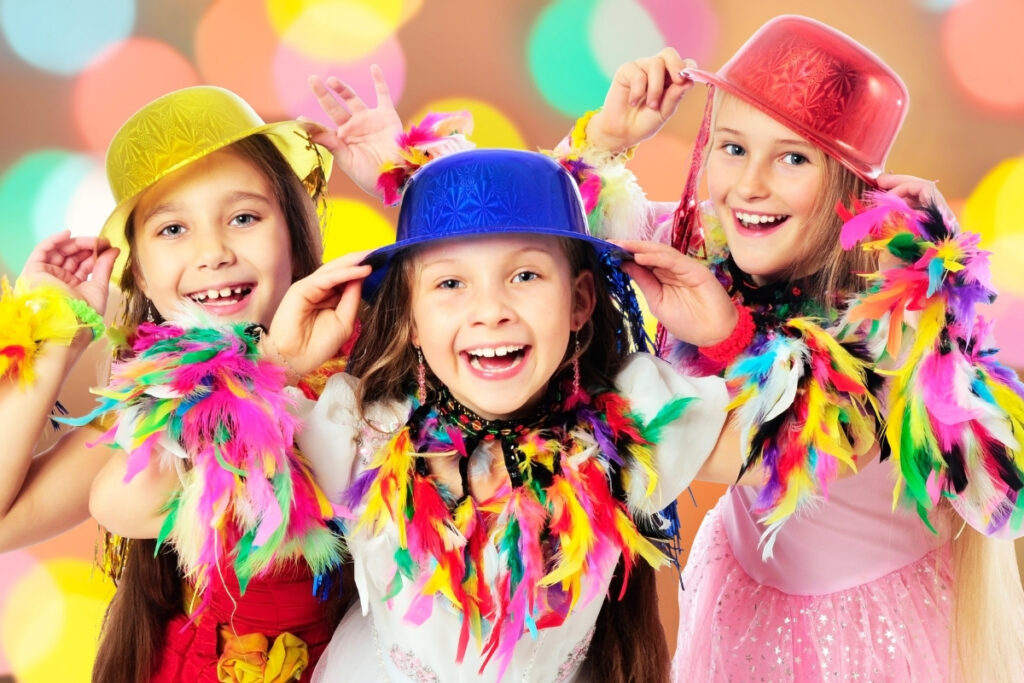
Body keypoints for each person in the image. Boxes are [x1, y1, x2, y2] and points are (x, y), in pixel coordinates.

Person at [560, 14, 1024, 682]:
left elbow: (812, 436)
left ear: (848, 186)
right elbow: (544, 260)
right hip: (746, 600)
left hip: (869, 636)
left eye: (793, 157)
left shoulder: (889, 312)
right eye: (731, 147)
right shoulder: (711, 245)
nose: (748, 186)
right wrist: (605, 141)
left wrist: (727, 334)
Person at [256, 146, 734, 681]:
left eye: (525, 275)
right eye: (450, 284)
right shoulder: (360, 432)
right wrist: (276, 366)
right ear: (411, 317)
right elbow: (215, 474)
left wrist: (722, 337)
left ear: (579, 303)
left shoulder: (633, 422)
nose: (490, 311)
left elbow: (778, 449)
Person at [0, 80, 397, 682]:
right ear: (140, 271)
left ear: (292, 228)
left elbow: (491, 295)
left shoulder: (368, 368)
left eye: (243, 217)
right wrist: (58, 335)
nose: (213, 252)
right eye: (172, 230)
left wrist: (405, 180)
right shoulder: (154, 413)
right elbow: (108, 502)